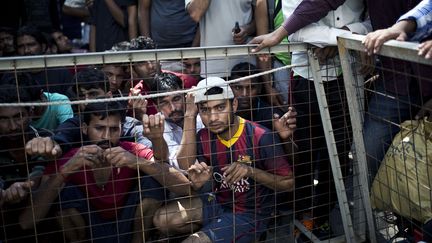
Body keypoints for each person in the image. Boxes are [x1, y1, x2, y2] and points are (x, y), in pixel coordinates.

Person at [20, 101, 191, 242]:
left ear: (122, 129)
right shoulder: (72, 158)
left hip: (129, 229)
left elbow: (185, 187)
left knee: (152, 177)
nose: (106, 137)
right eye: (99, 128)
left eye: (114, 129)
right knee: (64, 190)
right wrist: (65, 172)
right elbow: (26, 223)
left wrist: (137, 162)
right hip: (88, 233)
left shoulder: (130, 150)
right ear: (85, 129)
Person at [153, 77, 294, 242]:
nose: (213, 118)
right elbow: (186, 164)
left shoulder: (260, 136)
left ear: (233, 105)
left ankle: (229, 233)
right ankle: (220, 232)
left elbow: (289, 183)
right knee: (162, 219)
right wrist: (190, 115)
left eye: (220, 107)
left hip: (250, 213)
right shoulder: (204, 136)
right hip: (217, 202)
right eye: (205, 110)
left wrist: (250, 171)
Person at [25, 68, 152, 158]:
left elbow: (147, 145)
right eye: (81, 96)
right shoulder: (74, 124)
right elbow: (60, 141)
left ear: (108, 96)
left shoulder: (127, 123)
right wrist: (48, 146)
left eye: (93, 94)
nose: (86, 102)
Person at [0, 85, 61, 242]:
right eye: (4, 120)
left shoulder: (45, 138)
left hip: (48, 225)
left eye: (18, 117)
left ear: (30, 114)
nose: (12, 126)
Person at [149, 72, 204, 170]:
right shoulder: (159, 126)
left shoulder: (202, 114)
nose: (173, 108)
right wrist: (190, 116)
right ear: (156, 107)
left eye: (176, 99)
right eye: (164, 103)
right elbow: (185, 164)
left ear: (185, 96)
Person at [15, 26, 74, 97]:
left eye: (31, 45)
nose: (26, 50)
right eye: (21, 46)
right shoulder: (12, 75)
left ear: (43, 47)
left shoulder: (61, 73)